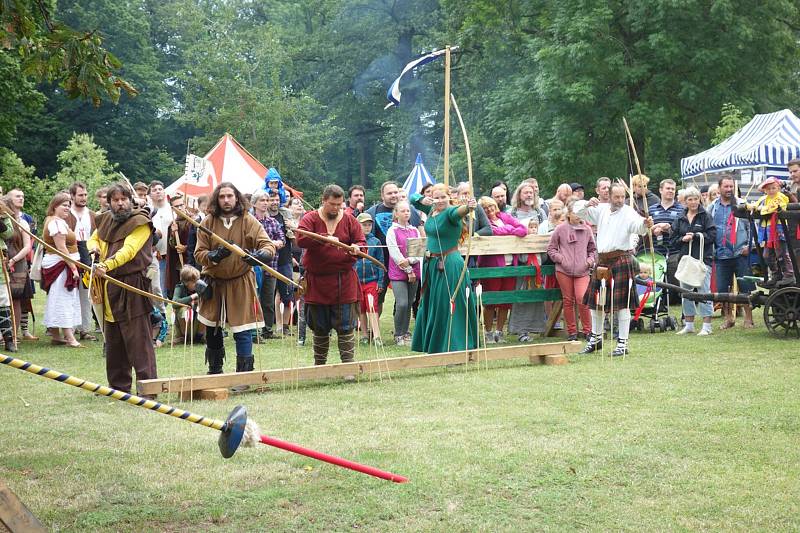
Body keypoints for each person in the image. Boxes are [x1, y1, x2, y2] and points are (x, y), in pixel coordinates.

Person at [194, 182, 275, 374]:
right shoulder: (208, 222)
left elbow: (268, 246)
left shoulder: (248, 220)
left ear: (237, 198)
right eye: (222, 197)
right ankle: (215, 371)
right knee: (213, 329)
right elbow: (199, 253)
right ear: (217, 199)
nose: (226, 200)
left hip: (240, 281)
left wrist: (259, 255)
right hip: (214, 281)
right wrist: (213, 256)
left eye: (229, 196)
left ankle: (243, 375)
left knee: (243, 329)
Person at [87, 184, 158, 392]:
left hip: (133, 285)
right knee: (114, 339)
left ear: (130, 200)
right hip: (110, 286)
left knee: (139, 341)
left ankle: (148, 387)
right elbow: (95, 237)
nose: (120, 204)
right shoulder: (107, 219)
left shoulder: (140, 222)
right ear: (109, 203)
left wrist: (105, 265)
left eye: (123, 199)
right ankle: (118, 387)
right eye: (115, 200)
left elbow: (129, 250)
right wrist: (94, 249)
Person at [576, 184, 653, 356]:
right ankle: (595, 339)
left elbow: (638, 227)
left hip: (621, 259)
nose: (619, 200)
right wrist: (587, 204)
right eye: (616, 197)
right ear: (609, 196)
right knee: (597, 303)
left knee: (622, 305)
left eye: (621, 197)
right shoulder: (601, 209)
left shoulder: (628, 212)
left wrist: (645, 224)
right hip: (602, 260)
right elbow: (577, 212)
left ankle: (622, 344)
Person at [297, 185, 365, 365]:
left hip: (344, 280)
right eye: (332, 204)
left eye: (339, 204)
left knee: (346, 325)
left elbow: (361, 242)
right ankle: (319, 365)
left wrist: (357, 248)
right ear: (323, 201)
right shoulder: (310, 218)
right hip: (317, 281)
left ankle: (347, 366)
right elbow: (301, 239)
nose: (336, 208)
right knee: (319, 327)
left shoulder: (350, 220)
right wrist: (324, 237)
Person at [410, 183, 478, 353]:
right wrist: (423, 199)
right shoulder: (431, 211)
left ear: (450, 197)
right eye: (436, 197)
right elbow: (412, 198)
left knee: (448, 302)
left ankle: (455, 345)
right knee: (433, 302)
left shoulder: (450, 212)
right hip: (432, 265)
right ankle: (435, 344)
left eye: (443, 197)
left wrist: (468, 207)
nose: (440, 200)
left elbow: (458, 212)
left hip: (449, 263)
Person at [366, 181, 422, 314]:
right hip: (381, 263)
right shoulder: (372, 212)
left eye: (395, 192)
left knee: (404, 301)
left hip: (406, 263)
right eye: (389, 193)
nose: (393, 195)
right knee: (378, 297)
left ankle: (401, 330)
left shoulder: (410, 211)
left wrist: (412, 261)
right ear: (382, 195)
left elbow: (419, 233)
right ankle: (375, 330)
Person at [477, 196, 526, 344]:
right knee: (491, 301)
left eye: (491, 206)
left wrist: (507, 229)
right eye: (485, 208)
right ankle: (488, 332)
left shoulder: (505, 217)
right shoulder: (483, 223)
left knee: (506, 301)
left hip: (510, 265)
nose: (490, 210)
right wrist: (511, 230)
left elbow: (523, 229)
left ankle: (499, 332)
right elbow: (492, 232)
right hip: (491, 266)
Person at [708, 175, 754, 329]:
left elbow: (751, 227)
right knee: (722, 290)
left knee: (745, 286)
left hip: (740, 252)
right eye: (726, 187)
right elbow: (709, 228)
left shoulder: (742, 205)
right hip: (720, 254)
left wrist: (750, 245)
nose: (729, 189)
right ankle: (729, 319)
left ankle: (749, 318)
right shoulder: (713, 207)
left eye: (731, 187)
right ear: (719, 188)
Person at [547, 199, 597, 341]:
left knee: (582, 298)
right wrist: (561, 259)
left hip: (583, 270)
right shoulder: (560, 229)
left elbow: (593, 250)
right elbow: (551, 249)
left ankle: (588, 331)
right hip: (564, 270)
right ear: (568, 213)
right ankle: (572, 332)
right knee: (568, 301)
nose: (578, 216)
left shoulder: (587, 230)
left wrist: (589, 262)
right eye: (575, 212)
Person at [671, 187, 716, 336]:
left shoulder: (706, 216)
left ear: (699, 199)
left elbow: (712, 236)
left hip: (703, 260)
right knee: (686, 292)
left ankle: (707, 325)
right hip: (685, 260)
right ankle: (689, 324)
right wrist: (683, 239)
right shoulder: (679, 217)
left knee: (704, 292)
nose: (693, 202)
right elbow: (673, 240)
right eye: (690, 199)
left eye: (696, 199)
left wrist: (696, 236)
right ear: (685, 201)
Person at [41, 192, 83, 348]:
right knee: (63, 299)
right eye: (64, 205)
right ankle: (70, 338)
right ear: (54, 206)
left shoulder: (56, 221)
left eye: (68, 205)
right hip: (61, 266)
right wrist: (73, 268)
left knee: (58, 298)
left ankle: (56, 336)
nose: (67, 207)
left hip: (61, 264)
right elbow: (61, 249)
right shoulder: (55, 223)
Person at [747, 176, 795, 288]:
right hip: (767, 231)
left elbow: (774, 207)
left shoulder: (781, 197)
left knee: (781, 253)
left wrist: (760, 209)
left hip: (778, 229)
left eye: (773, 188)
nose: (771, 190)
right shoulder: (764, 198)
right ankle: (776, 274)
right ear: (765, 190)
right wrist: (747, 206)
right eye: (768, 189)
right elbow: (755, 205)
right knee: (767, 255)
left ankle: (789, 275)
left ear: (778, 188)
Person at [386, 201, 422, 346]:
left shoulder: (415, 231)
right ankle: (398, 333)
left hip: (414, 269)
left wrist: (411, 262)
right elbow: (394, 253)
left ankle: (405, 332)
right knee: (401, 303)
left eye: (408, 211)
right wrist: (407, 268)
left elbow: (418, 251)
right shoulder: (392, 231)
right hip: (398, 272)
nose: (406, 213)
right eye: (403, 211)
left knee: (410, 302)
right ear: (396, 213)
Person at [250, 189, 284, 339]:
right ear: (254, 203)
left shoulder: (273, 222)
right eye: (262, 201)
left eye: (266, 200)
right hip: (253, 266)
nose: (265, 203)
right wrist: (271, 243)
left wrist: (277, 242)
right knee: (254, 299)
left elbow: (282, 239)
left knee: (268, 300)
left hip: (271, 266)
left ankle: (268, 330)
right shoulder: (249, 221)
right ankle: (254, 331)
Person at [66, 182, 98, 342]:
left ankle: (84, 329)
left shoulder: (92, 215)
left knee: (86, 294)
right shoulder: (66, 213)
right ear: (72, 196)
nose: (84, 198)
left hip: (87, 254)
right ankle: (69, 328)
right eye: (80, 195)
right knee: (70, 293)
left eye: (85, 195)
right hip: (70, 255)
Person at [4, 189, 37, 341]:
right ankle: (3, 333)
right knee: (3, 299)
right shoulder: (4, 222)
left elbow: (27, 246)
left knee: (15, 298)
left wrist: (14, 260)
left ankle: (14, 335)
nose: (21, 199)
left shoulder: (22, 222)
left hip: (18, 263)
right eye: (18, 196)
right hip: (3, 261)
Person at [509, 218, 546, 342]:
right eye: (531, 227)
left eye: (535, 227)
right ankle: (521, 330)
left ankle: (535, 327)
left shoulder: (540, 241)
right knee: (522, 302)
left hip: (537, 278)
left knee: (535, 302)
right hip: (524, 278)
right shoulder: (521, 242)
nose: (533, 229)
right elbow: (521, 258)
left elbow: (544, 258)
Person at [647, 178, 684, 292]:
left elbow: (683, 229)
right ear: (660, 190)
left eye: (673, 189)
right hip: (657, 250)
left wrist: (669, 228)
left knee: (674, 279)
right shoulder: (651, 209)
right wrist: (653, 230)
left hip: (674, 251)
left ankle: (674, 297)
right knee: (657, 278)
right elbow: (645, 229)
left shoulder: (682, 209)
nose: (671, 191)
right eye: (668, 188)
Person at [354, 213, 384, 345]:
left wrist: (380, 281)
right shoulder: (353, 242)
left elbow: (380, 263)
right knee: (361, 309)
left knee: (372, 308)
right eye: (364, 225)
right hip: (357, 281)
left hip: (372, 280)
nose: (367, 227)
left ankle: (376, 336)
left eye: (369, 225)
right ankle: (365, 335)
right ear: (357, 226)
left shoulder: (376, 242)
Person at [148, 180, 174, 298]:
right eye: (154, 190)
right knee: (157, 289)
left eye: (160, 189)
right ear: (150, 194)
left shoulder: (172, 209)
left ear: (164, 192)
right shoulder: (148, 211)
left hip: (171, 255)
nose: (158, 192)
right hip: (155, 256)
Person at [165, 194, 191, 299]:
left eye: (181, 205)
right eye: (176, 206)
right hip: (179, 264)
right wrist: (173, 233)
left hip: (191, 261)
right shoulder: (173, 224)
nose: (180, 208)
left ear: (185, 205)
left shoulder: (194, 221)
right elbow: (172, 246)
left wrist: (186, 248)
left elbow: (200, 242)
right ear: (172, 209)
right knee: (182, 290)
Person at [171, 264, 204, 342]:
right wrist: (192, 297)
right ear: (186, 282)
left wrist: (198, 301)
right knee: (184, 309)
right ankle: (184, 336)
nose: (196, 284)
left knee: (203, 308)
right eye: (193, 282)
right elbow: (174, 303)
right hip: (184, 327)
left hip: (197, 322)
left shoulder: (199, 286)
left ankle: (201, 336)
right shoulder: (179, 287)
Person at [0, 208, 18, 351]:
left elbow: (9, 233)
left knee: (3, 299)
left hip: (0, 260)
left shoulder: (3, 213)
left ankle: (9, 340)